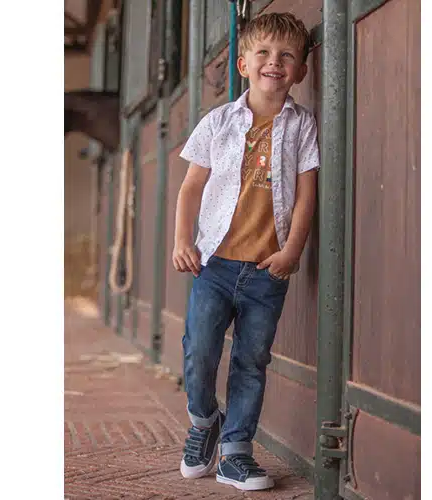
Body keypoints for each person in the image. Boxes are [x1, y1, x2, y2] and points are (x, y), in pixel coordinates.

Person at [172, 12, 319, 491]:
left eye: (287, 56)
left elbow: (306, 195)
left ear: (300, 70)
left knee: (251, 361)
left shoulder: (302, 126)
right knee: (199, 352)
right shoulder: (217, 122)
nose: (274, 62)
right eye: (264, 53)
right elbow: (191, 187)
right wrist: (182, 240)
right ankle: (204, 421)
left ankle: (236, 451)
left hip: (266, 270)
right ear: (243, 64)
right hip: (214, 264)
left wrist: (292, 250)